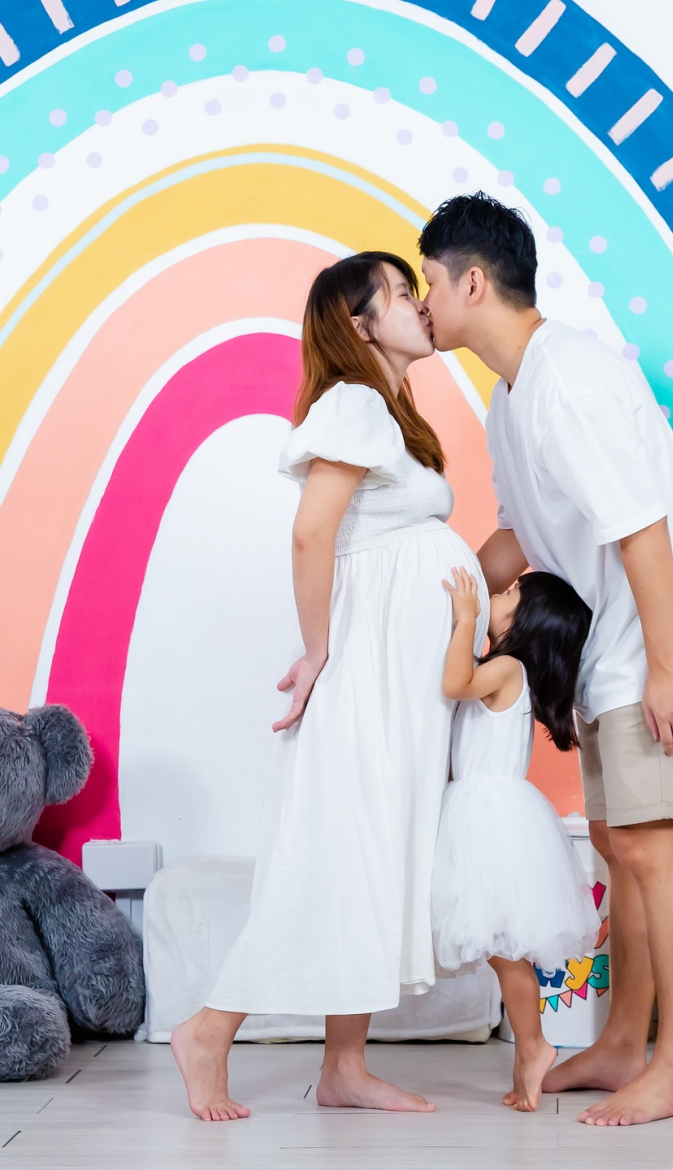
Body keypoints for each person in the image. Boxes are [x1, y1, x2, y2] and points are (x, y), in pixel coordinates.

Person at [419, 194, 673, 1126]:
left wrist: (670, 667)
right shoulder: (511, 394)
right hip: (619, 637)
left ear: (473, 281)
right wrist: (436, 585)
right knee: (617, 841)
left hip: (657, 636)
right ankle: (620, 1042)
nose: (424, 302)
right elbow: (522, 536)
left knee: (651, 843)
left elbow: (641, 526)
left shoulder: (572, 379)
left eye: (430, 284)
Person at [171, 252, 488, 1120]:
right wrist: (319, 653)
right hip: (366, 674)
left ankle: (343, 1066)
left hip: (401, 678)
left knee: (371, 861)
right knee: (335, 857)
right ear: (357, 324)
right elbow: (313, 538)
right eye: (397, 294)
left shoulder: (387, 412)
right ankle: (207, 1028)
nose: (419, 305)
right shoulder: (352, 404)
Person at [432, 567, 600, 1113]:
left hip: (487, 816)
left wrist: (464, 618)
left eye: (508, 594)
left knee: (506, 951)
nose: (496, 594)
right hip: (491, 811)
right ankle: (530, 1050)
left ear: (527, 620)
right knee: (506, 951)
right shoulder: (513, 672)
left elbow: (454, 684)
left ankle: (534, 1045)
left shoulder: (506, 667)